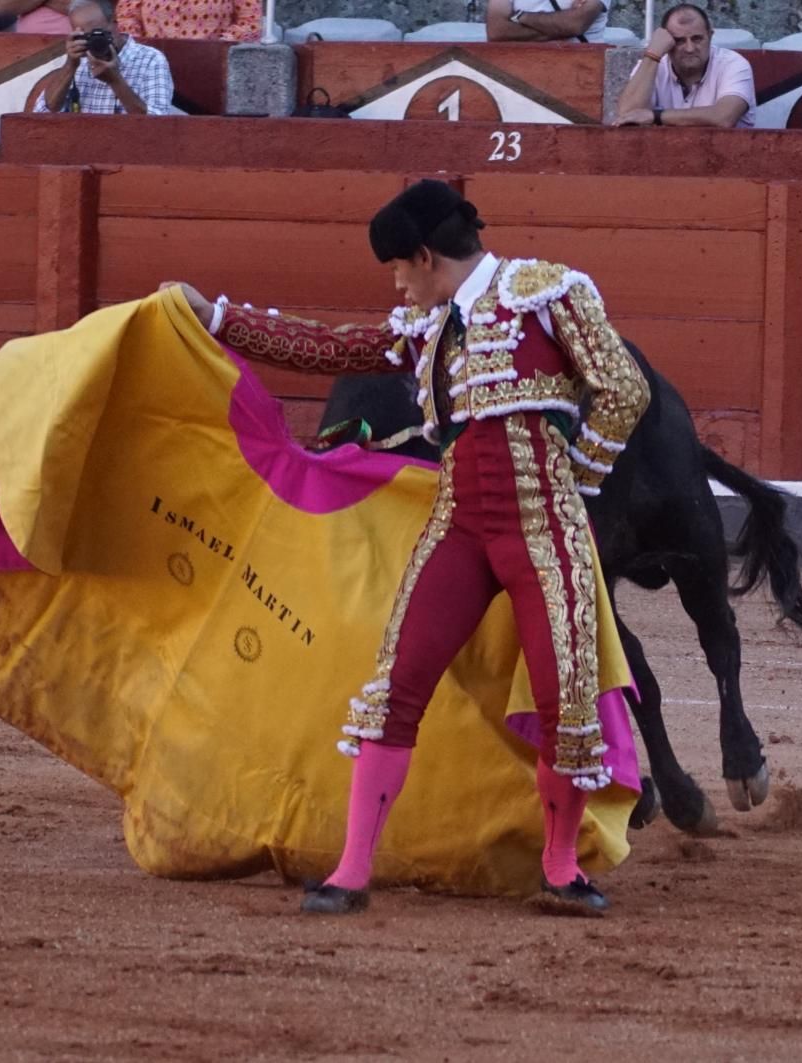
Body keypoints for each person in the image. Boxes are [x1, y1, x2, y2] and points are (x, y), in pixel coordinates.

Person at [168, 180, 650, 916]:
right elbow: (337, 346)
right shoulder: (429, 328)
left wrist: (573, 479)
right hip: (458, 525)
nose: (396, 283)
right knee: (395, 685)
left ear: (425, 256)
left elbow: (623, 388)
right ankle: (352, 870)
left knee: (564, 699)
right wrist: (221, 319)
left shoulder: (547, 292)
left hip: (542, 525)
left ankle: (561, 868)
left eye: (398, 267)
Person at [612, 2, 754, 128]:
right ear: (667, 41)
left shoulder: (733, 64)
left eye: (697, 39)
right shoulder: (653, 63)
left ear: (710, 36)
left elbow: (724, 117)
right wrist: (652, 53)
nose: (690, 48)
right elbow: (627, 115)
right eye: (679, 41)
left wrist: (656, 116)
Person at [26, 0, 173, 115]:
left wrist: (115, 81)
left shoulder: (150, 60)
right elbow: (42, 113)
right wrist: (70, 66)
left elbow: (157, 124)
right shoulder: (77, 61)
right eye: (87, 36)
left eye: (99, 33)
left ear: (115, 23)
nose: (95, 41)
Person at [115, 0, 261, 41]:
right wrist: (141, 50)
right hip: (152, 67)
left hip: (213, 65)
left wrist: (219, 45)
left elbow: (251, 22)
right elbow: (126, 19)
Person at [486, 0, 608, 44]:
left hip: (583, 69)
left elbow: (575, 24)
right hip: (523, 69)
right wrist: (561, 27)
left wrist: (520, 16)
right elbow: (496, 32)